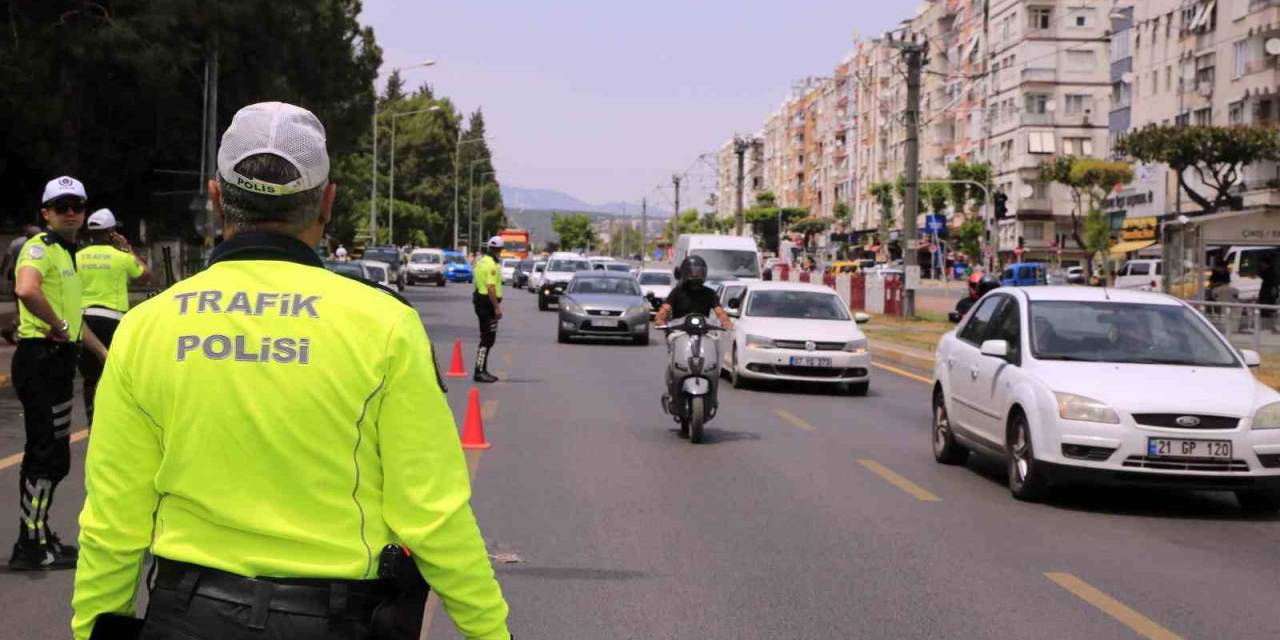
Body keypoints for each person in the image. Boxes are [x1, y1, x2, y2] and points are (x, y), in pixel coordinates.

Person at [71, 102, 509, 640]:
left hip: (186, 617)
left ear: (216, 197)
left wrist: (90, 628)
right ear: (327, 203)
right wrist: (491, 631)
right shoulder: (385, 325)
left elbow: (113, 523)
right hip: (335, 619)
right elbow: (432, 513)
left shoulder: (146, 328)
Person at [8, 177, 109, 571]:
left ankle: (39, 532)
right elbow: (26, 289)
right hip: (41, 359)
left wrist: (103, 354)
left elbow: (75, 319)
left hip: (58, 359)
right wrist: (56, 325)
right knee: (46, 455)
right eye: (61, 206)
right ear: (45, 212)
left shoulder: (70, 254)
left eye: (77, 206)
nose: (71, 213)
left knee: (52, 454)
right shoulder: (40, 248)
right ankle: (30, 544)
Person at [76, 208, 151, 424]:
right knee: (115, 373)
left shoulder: (77, 257)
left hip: (85, 322)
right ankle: (113, 421)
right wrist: (127, 248)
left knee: (90, 376)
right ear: (111, 232)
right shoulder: (121, 257)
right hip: (113, 320)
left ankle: (92, 420)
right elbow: (145, 275)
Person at [654, 255, 735, 331]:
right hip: (679, 330)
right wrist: (660, 319)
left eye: (698, 272)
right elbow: (665, 309)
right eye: (691, 272)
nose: (695, 275)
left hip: (703, 330)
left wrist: (726, 322)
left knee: (714, 340)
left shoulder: (710, 293)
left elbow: (719, 311)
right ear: (684, 273)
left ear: (704, 273)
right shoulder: (677, 291)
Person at [1, 224, 42, 344]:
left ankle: (16, 329)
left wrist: (3, 270)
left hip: (17, 276)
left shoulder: (16, 243)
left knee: (23, 306)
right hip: (31, 277)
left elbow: (7, 258)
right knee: (33, 306)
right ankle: (13, 329)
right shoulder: (38, 246)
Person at [472, 235, 504, 383]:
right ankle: (479, 371)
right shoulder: (491, 265)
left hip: (479, 299)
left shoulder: (480, 262)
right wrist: (496, 307)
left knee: (487, 337)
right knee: (487, 338)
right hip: (487, 303)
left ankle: (482, 369)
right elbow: (491, 287)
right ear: (499, 250)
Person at [1259, 255, 1277, 333]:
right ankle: (1268, 326)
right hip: (1267, 294)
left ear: (1266, 264)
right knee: (1268, 310)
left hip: (1267, 294)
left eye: (1262, 264)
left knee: (1267, 310)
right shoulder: (1270, 272)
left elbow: (1270, 283)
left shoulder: (1269, 272)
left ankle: (1269, 326)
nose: (1261, 266)